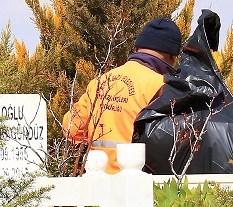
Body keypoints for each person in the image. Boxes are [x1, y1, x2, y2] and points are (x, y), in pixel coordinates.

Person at [61, 17, 183, 166]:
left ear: (136, 48)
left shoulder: (99, 82)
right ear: (173, 57)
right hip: (139, 177)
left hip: (98, 176)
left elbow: (71, 128)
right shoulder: (163, 87)